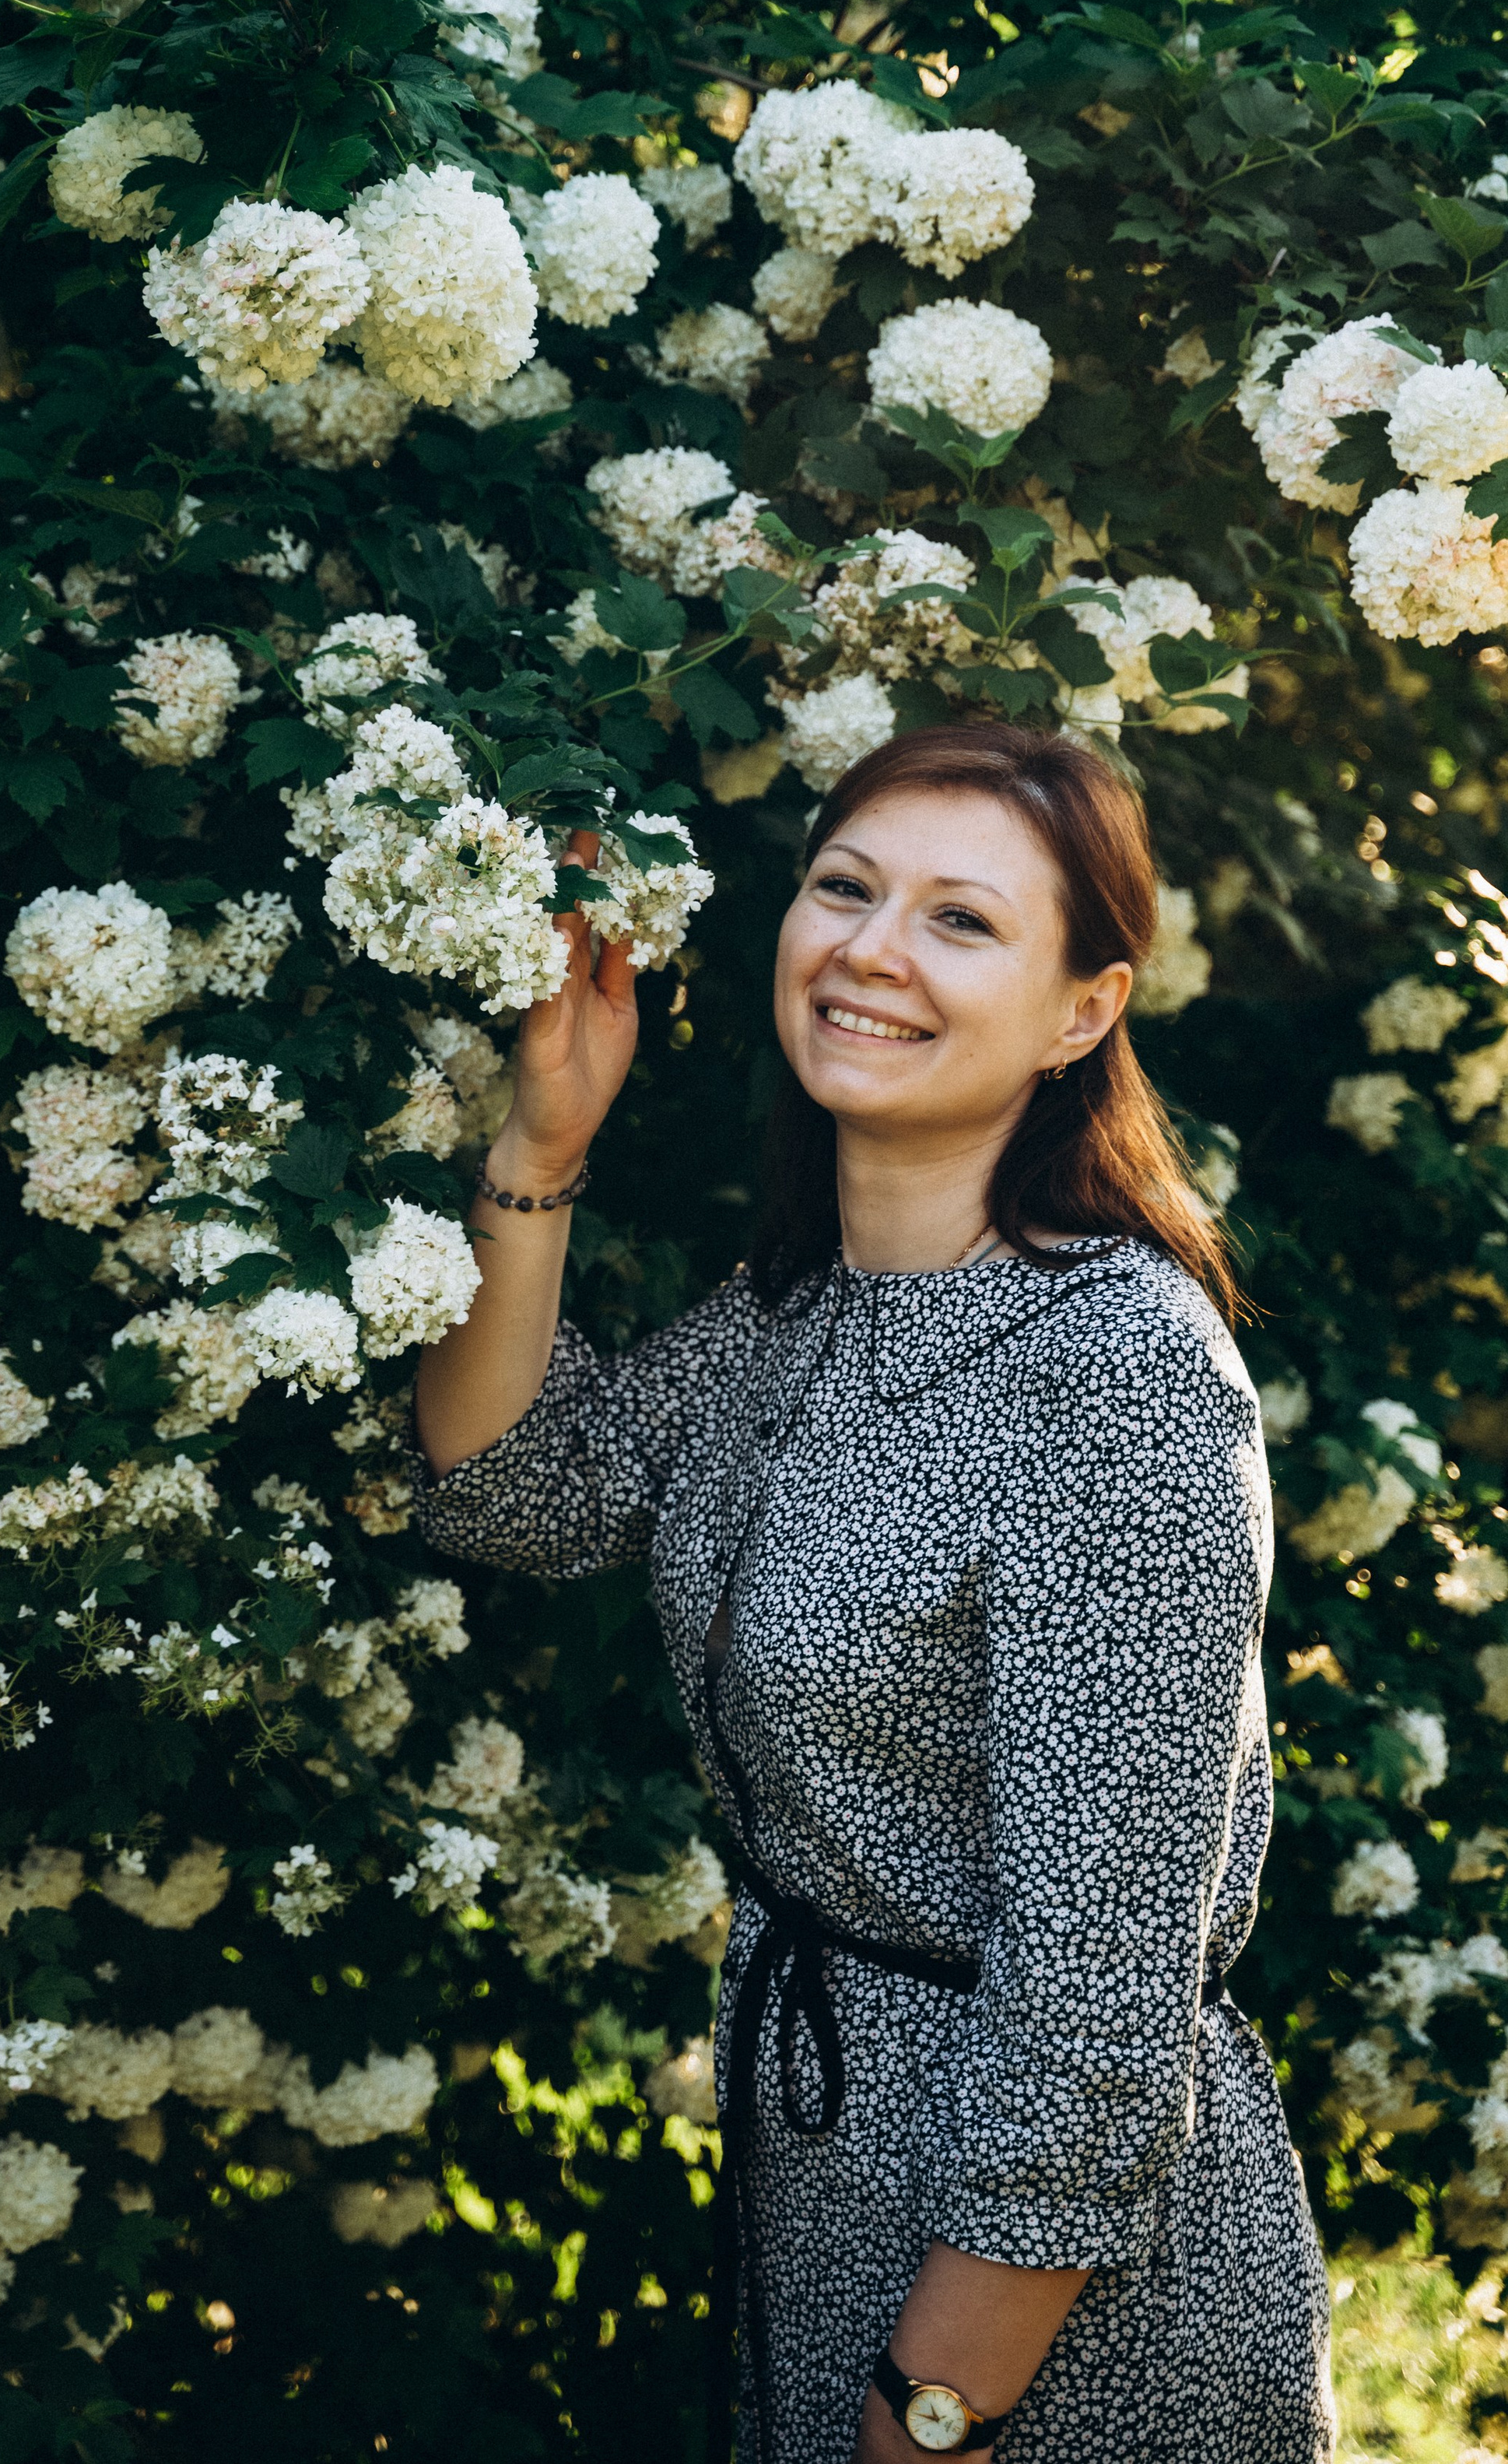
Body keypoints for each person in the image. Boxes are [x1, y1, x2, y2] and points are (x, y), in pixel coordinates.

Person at [414, 720, 1334, 2464]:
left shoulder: (1118, 1370)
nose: (870, 948)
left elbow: (1094, 1978)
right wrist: (542, 1143)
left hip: (1057, 2284)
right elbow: (504, 1488)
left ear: (1083, 1009)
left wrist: (933, 2410)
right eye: (845, 887)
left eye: (958, 920)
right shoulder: (790, 1316)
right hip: (824, 2172)